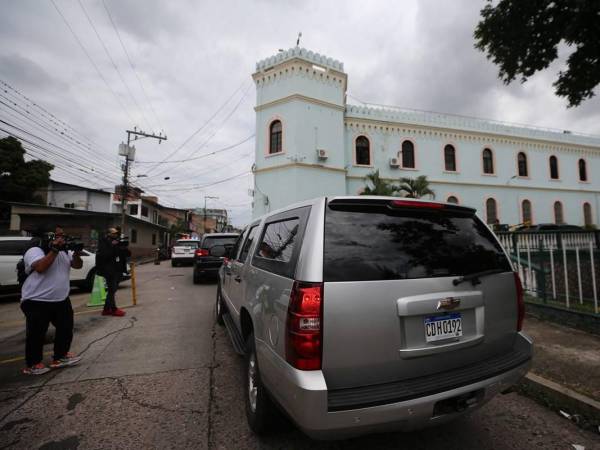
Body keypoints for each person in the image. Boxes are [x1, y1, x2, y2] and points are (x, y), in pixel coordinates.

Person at [20, 227, 83, 375]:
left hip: (60, 299)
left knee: (66, 328)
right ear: (48, 236)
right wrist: (54, 250)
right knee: (37, 333)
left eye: (63, 235)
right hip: (36, 300)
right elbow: (41, 267)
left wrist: (77, 254)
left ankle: (60, 357)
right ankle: (33, 364)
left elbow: (77, 265)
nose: (62, 238)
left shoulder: (63, 251)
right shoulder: (35, 250)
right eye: (58, 235)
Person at [96, 227, 126, 317]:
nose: (115, 235)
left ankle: (106, 309)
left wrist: (122, 247)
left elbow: (121, 254)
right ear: (108, 234)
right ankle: (113, 309)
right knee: (112, 289)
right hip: (107, 269)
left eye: (116, 233)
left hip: (115, 268)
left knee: (113, 289)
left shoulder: (115, 241)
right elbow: (105, 255)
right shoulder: (103, 242)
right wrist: (113, 245)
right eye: (113, 233)